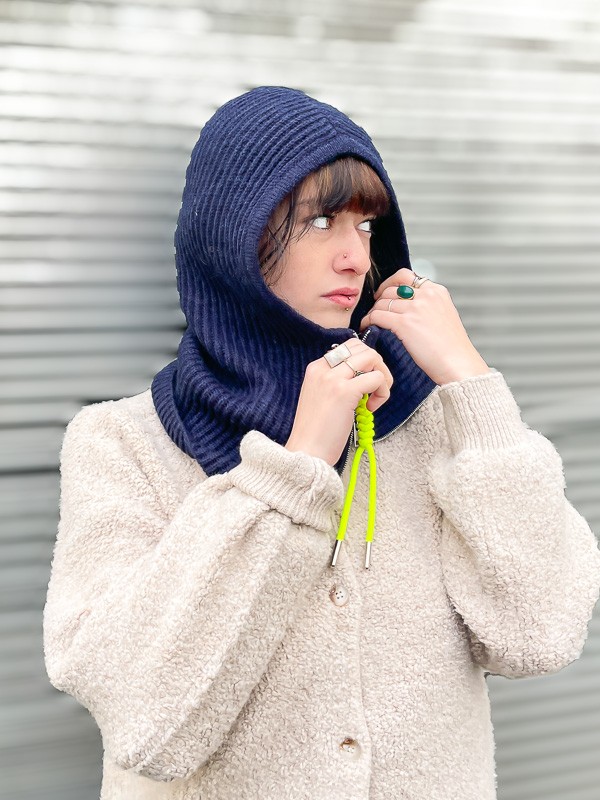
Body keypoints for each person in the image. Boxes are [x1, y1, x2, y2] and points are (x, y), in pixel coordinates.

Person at [43, 86, 600, 800]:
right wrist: (298, 465)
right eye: (320, 221)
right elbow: (150, 727)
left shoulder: (429, 418)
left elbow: (540, 634)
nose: (355, 259)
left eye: (366, 226)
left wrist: (471, 383)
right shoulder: (123, 444)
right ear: (232, 234)